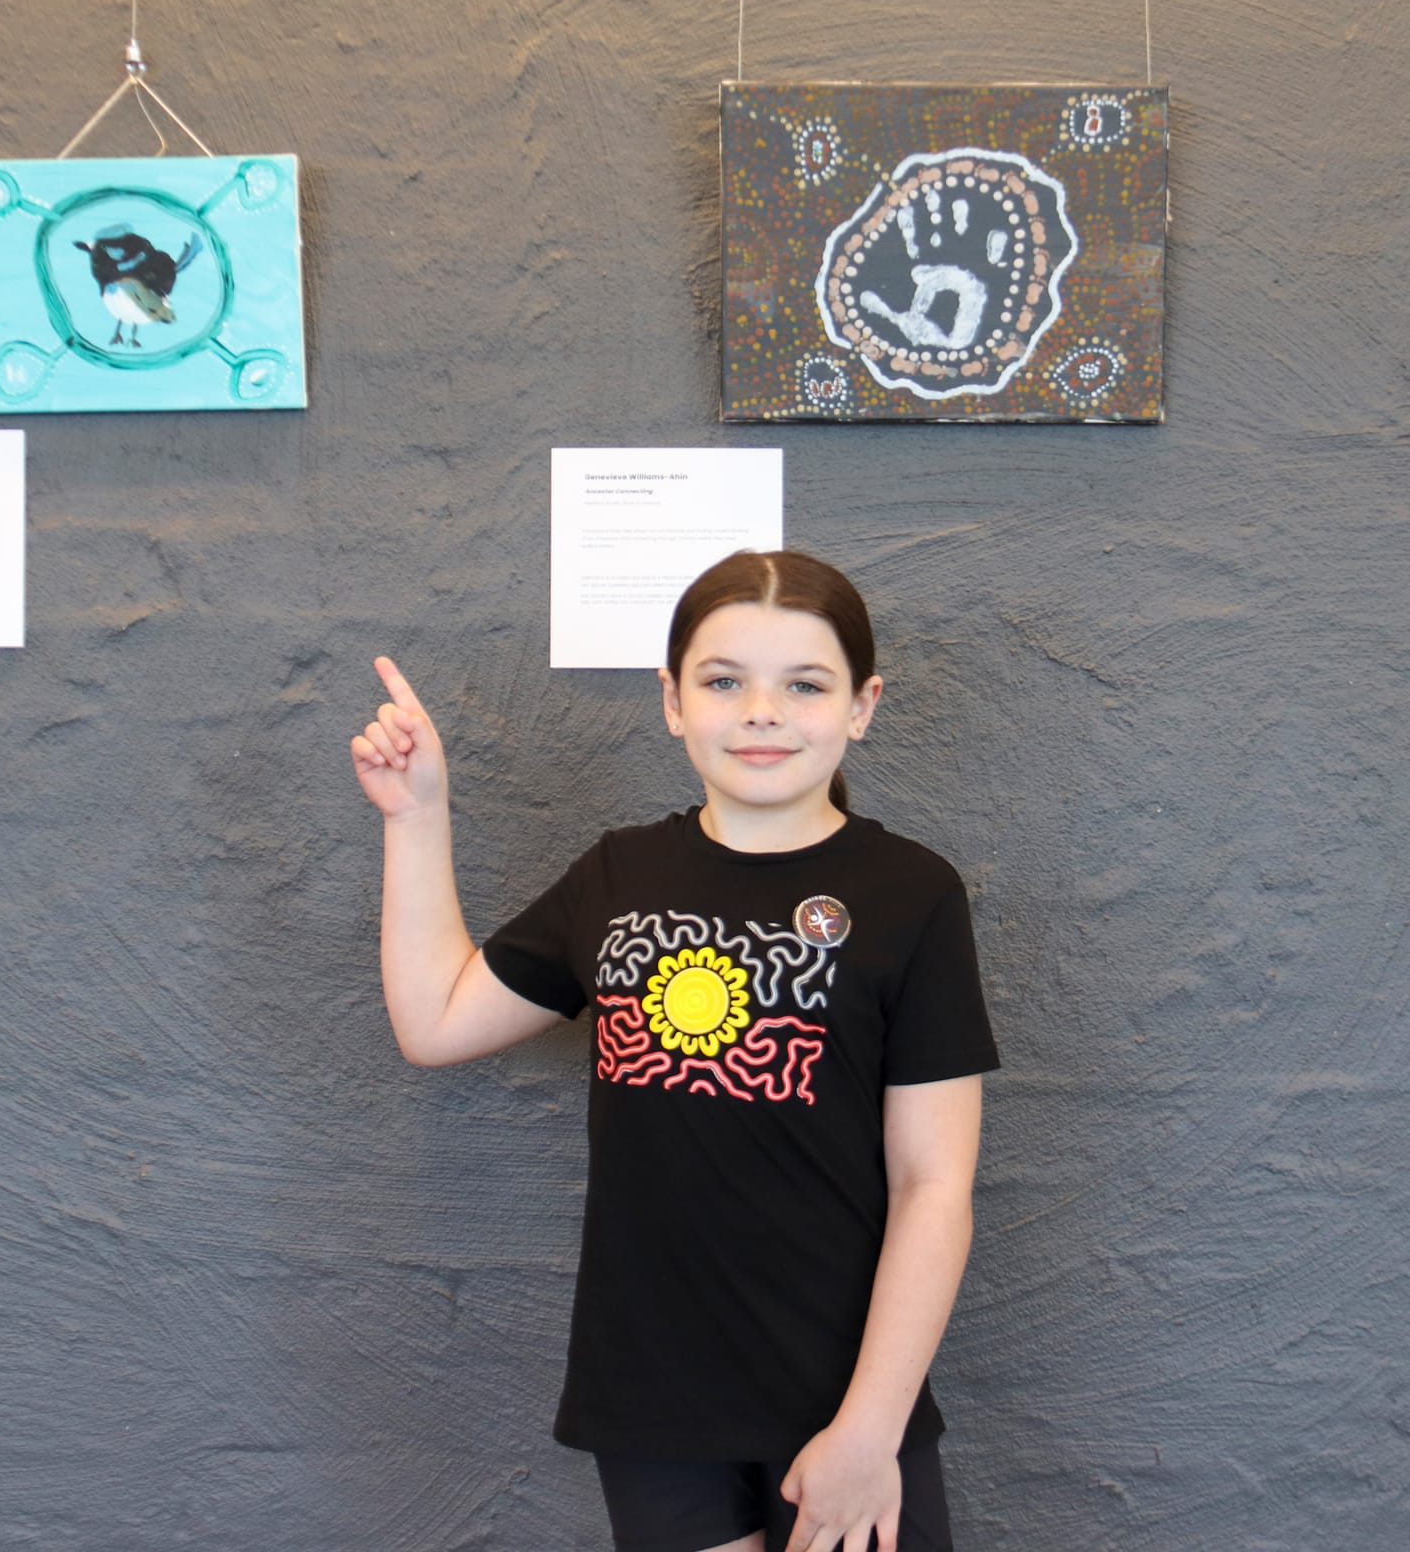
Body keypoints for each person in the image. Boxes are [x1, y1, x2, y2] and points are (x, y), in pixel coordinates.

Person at [349, 550, 999, 1552]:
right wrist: (415, 815)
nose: (760, 711)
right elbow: (434, 1020)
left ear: (860, 704)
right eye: (723, 679)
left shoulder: (910, 894)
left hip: (842, 1389)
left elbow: (931, 1183)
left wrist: (869, 1425)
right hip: (652, 1392)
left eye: (804, 683)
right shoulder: (618, 873)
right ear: (671, 698)